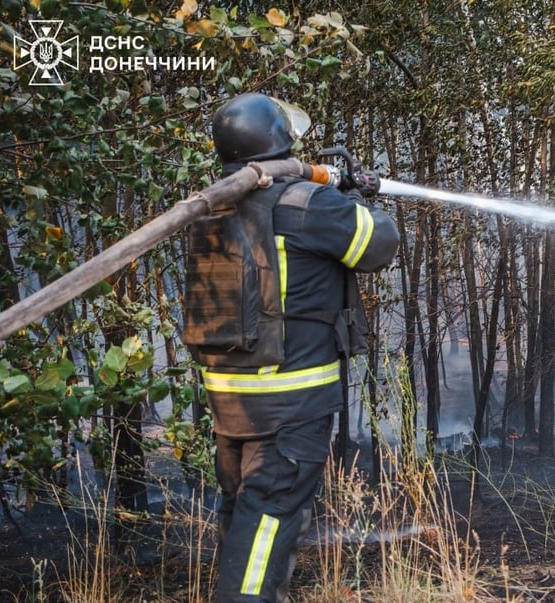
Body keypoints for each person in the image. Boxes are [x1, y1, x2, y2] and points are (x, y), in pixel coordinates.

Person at [183, 92, 399, 602]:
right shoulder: (307, 204)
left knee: (245, 516)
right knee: (269, 524)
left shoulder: (214, 207)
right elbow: (379, 243)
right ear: (279, 142)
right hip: (290, 402)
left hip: (228, 401)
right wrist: (359, 195)